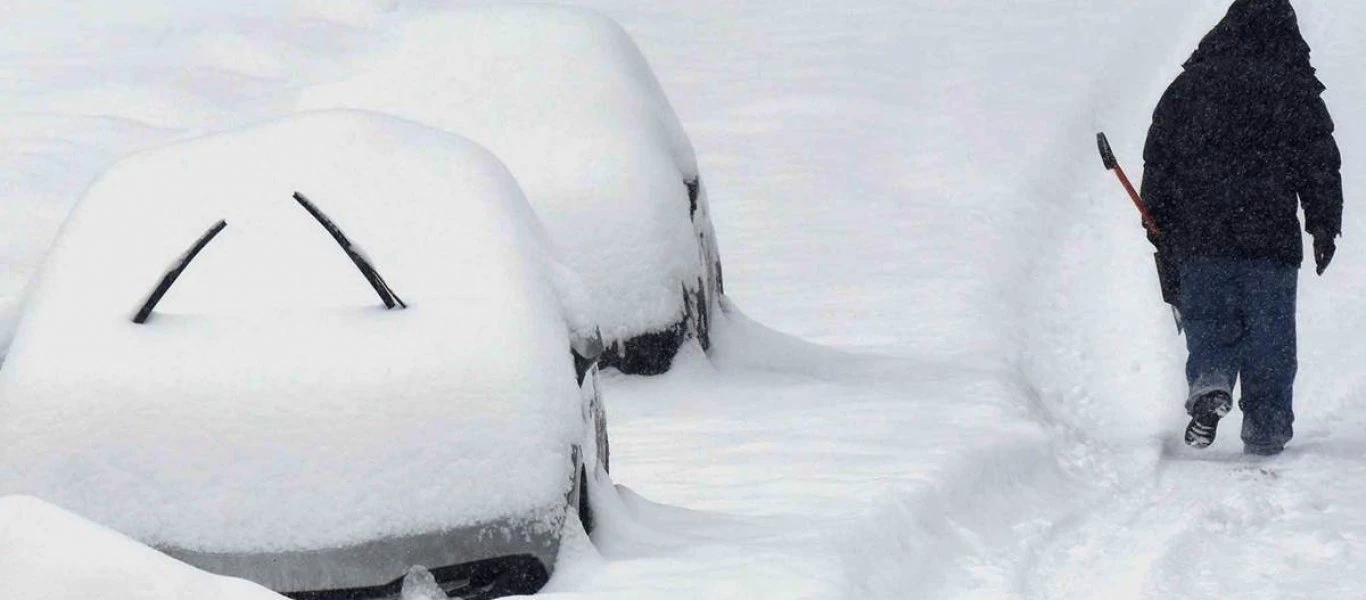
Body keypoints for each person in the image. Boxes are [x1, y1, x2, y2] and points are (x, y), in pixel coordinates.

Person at [1141, 0, 1342, 456]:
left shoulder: (1190, 87)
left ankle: (1211, 379)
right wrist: (1324, 224)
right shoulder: (1294, 89)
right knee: (1270, 336)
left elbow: (1161, 157)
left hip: (1202, 235)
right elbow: (1319, 164)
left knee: (1209, 320)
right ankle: (1268, 423)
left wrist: (1157, 219)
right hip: (1269, 238)